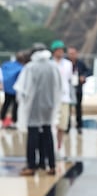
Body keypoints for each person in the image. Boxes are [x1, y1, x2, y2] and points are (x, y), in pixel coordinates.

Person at [15, 43, 61, 175]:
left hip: (33, 106)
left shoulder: (31, 67)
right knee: (47, 134)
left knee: (33, 136)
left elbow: (23, 88)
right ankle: (50, 164)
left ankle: (31, 165)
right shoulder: (53, 66)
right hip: (49, 106)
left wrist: (23, 105)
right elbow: (59, 87)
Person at [50, 41, 74, 158]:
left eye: (62, 50)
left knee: (62, 126)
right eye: (58, 50)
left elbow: (69, 80)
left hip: (64, 98)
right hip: (52, 98)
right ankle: (52, 148)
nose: (60, 52)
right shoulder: (49, 64)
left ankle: (59, 148)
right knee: (52, 125)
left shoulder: (68, 64)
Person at [66, 46, 90, 133]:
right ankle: (67, 126)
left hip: (78, 88)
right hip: (68, 89)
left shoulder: (80, 63)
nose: (72, 55)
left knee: (78, 108)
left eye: (73, 53)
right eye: (70, 54)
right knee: (67, 108)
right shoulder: (65, 63)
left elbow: (88, 71)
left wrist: (83, 76)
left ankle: (79, 126)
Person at [1, 50, 26, 127]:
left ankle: (1, 119)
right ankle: (14, 121)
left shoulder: (7, 64)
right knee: (16, 106)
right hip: (16, 90)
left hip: (6, 88)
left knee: (6, 104)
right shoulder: (22, 68)